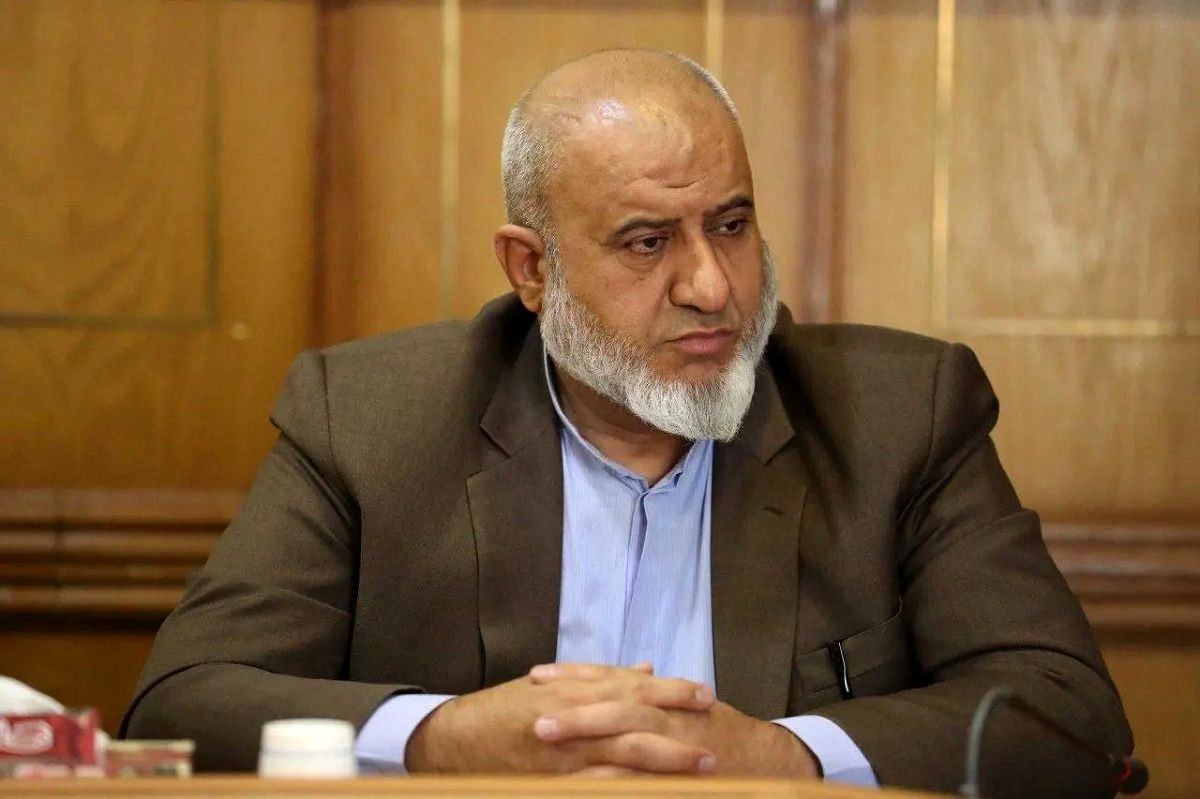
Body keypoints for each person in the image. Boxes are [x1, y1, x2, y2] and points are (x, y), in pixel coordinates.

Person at [123, 49, 1132, 796]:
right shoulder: (368, 417)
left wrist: (783, 754)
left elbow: (1068, 715)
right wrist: (444, 739)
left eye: (731, 225)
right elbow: (184, 698)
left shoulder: (900, 415)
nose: (712, 286)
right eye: (647, 242)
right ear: (532, 269)